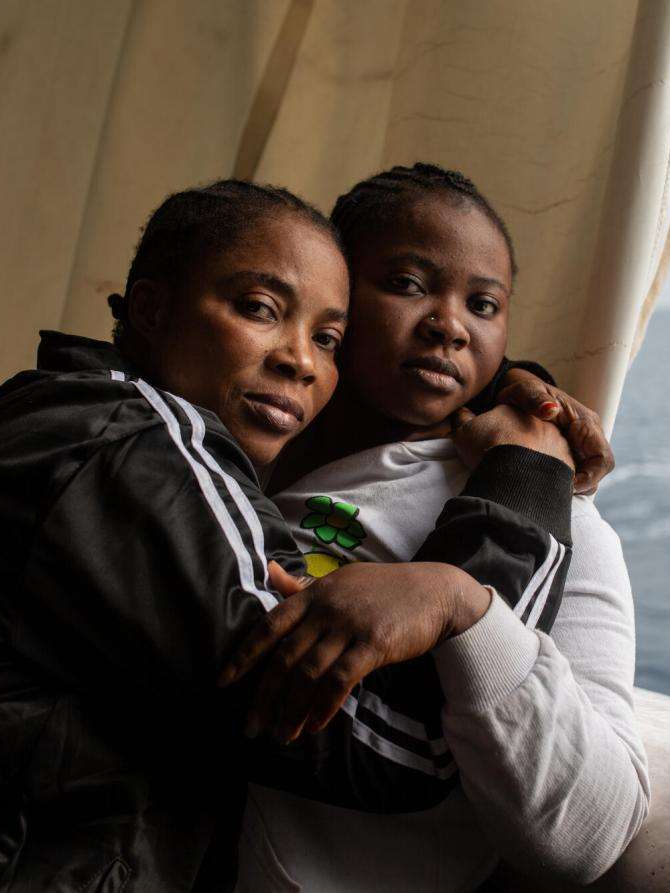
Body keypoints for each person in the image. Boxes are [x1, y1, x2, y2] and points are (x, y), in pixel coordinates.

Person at [0, 181, 584, 891]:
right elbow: (403, 746)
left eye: (327, 339)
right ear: (151, 307)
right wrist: (520, 490)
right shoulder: (130, 451)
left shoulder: (81, 425)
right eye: (260, 308)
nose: (299, 359)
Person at [234, 164, 649, 890]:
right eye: (406, 283)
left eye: (483, 303)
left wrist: (463, 604)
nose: (449, 323)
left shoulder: (552, 515)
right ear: (336, 296)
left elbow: (591, 831)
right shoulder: (246, 445)